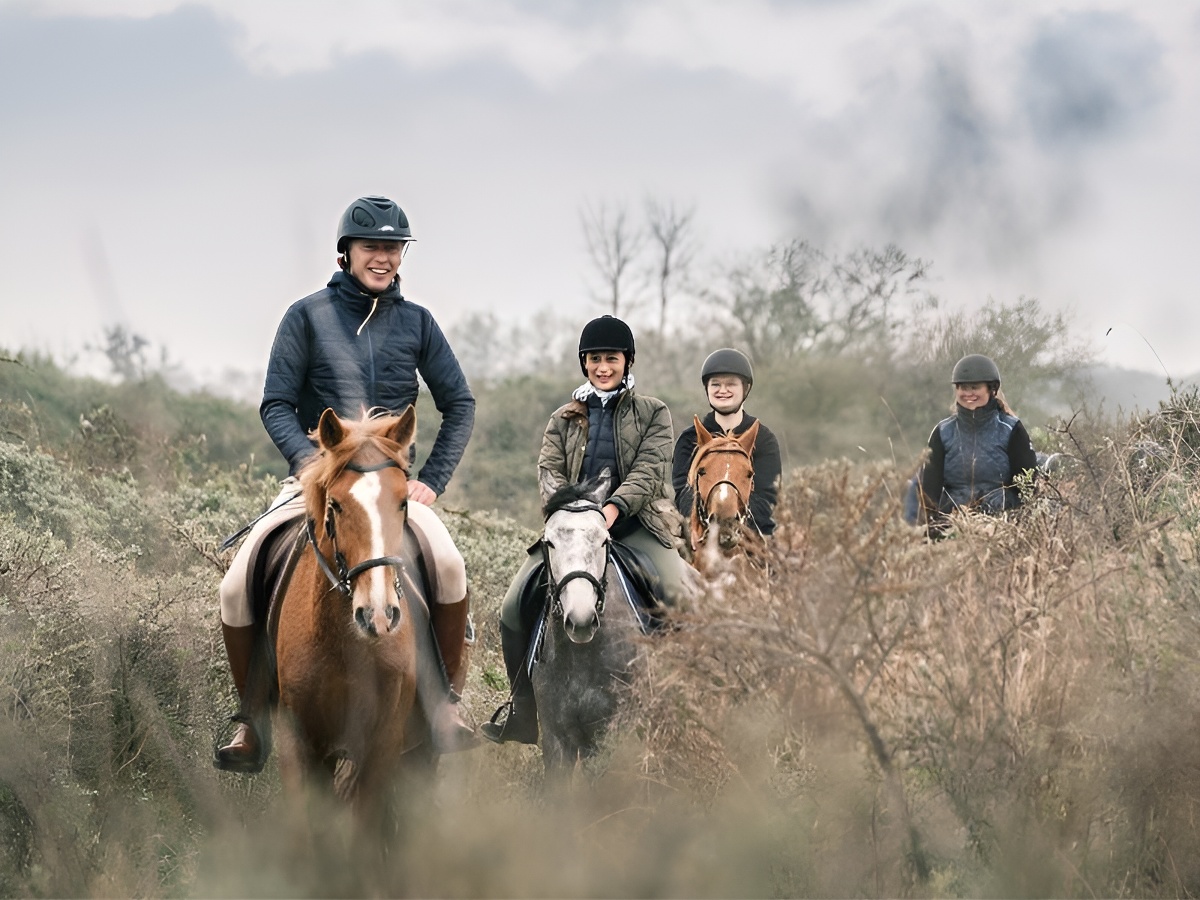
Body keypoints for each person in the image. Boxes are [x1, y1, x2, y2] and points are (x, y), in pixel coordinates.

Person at [215, 195, 477, 771]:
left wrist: (430, 480)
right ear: (346, 253)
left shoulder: (418, 322)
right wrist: (310, 466)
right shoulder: (305, 316)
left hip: (388, 491)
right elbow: (276, 403)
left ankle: (443, 707)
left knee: (450, 565)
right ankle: (251, 719)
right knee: (236, 584)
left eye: (393, 248)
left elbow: (459, 403)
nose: (383, 257)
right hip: (320, 483)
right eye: (371, 247)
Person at [481, 315, 688, 744]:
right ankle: (522, 710)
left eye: (611, 358)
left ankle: (683, 705)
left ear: (627, 361)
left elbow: (650, 470)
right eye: (594, 359)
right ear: (584, 363)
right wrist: (571, 517)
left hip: (635, 525)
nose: (603, 367)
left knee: (679, 592)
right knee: (512, 606)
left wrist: (612, 510)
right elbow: (549, 472)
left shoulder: (654, 413)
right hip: (574, 532)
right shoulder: (562, 419)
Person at [917, 353, 1038, 534]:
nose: (968, 393)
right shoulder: (942, 432)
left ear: (992, 389)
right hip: (953, 526)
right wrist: (932, 527)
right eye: (963, 387)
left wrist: (1015, 523)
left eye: (975, 387)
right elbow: (929, 489)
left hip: (1001, 526)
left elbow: (1027, 485)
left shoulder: (1012, 429)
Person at [672, 348, 782, 539]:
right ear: (707, 389)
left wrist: (732, 521)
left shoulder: (764, 439)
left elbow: (767, 496)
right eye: (715, 384)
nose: (722, 390)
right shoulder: (689, 438)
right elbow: (683, 492)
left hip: (750, 532)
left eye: (731, 384)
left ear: (745, 388)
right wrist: (707, 524)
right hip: (699, 531)